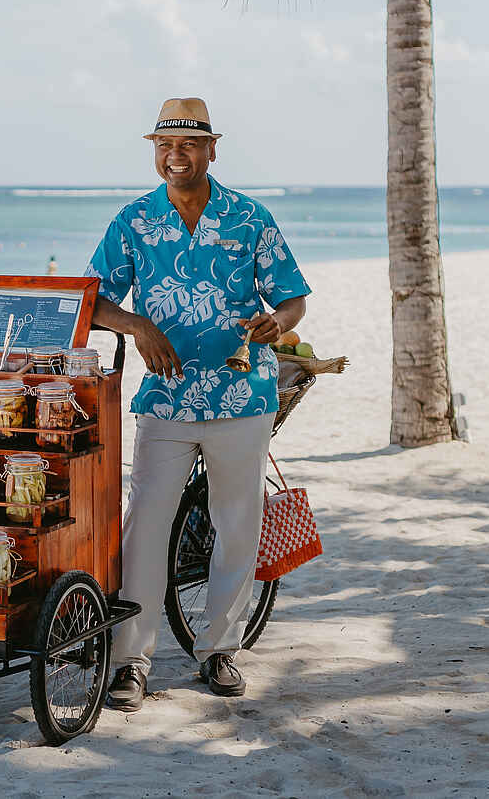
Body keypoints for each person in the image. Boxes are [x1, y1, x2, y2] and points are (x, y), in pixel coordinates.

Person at [84, 97, 310, 709]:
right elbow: (93, 301)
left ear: (212, 149)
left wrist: (278, 324)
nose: (173, 156)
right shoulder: (133, 221)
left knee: (237, 523)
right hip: (165, 398)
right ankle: (132, 659)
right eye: (163, 145)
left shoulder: (250, 217)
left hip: (243, 394)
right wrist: (138, 327)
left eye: (186, 145)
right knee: (145, 524)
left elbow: (291, 297)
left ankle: (218, 651)